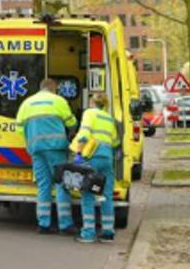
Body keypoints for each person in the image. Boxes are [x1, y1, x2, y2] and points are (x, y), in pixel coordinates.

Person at [16, 77, 79, 235]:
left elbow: (18, 129)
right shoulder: (58, 101)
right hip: (56, 149)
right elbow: (71, 123)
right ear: (53, 89)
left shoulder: (27, 103)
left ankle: (44, 224)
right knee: (61, 184)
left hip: (36, 149)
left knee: (43, 186)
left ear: (41, 88)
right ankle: (65, 224)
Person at [74, 94, 121, 243]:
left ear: (93, 102)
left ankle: (88, 233)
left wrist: (78, 153)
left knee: (88, 194)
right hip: (106, 159)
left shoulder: (89, 113)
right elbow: (115, 142)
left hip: (91, 157)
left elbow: (84, 134)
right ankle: (108, 232)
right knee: (106, 195)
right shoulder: (108, 118)